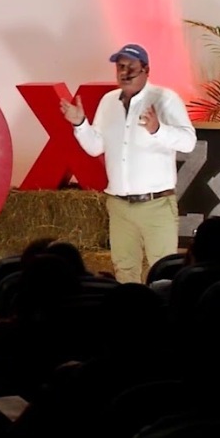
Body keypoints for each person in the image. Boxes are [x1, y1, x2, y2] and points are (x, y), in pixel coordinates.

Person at [60, 43, 197, 283]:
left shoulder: (165, 99)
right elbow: (96, 147)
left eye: (130, 67)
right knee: (124, 271)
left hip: (155, 204)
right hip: (119, 205)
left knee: (163, 272)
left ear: (146, 70)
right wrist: (80, 124)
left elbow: (188, 142)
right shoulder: (109, 102)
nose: (124, 72)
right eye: (120, 67)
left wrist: (158, 130)